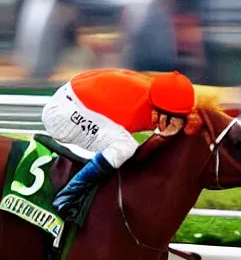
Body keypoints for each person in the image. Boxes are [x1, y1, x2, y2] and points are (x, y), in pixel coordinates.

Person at [42, 68, 196, 216]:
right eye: (174, 120)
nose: (176, 125)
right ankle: (66, 197)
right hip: (62, 115)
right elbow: (142, 154)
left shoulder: (158, 97)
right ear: (159, 112)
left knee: (122, 148)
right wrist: (164, 135)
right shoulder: (140, 108)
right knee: (125, 147)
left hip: (72, 102)